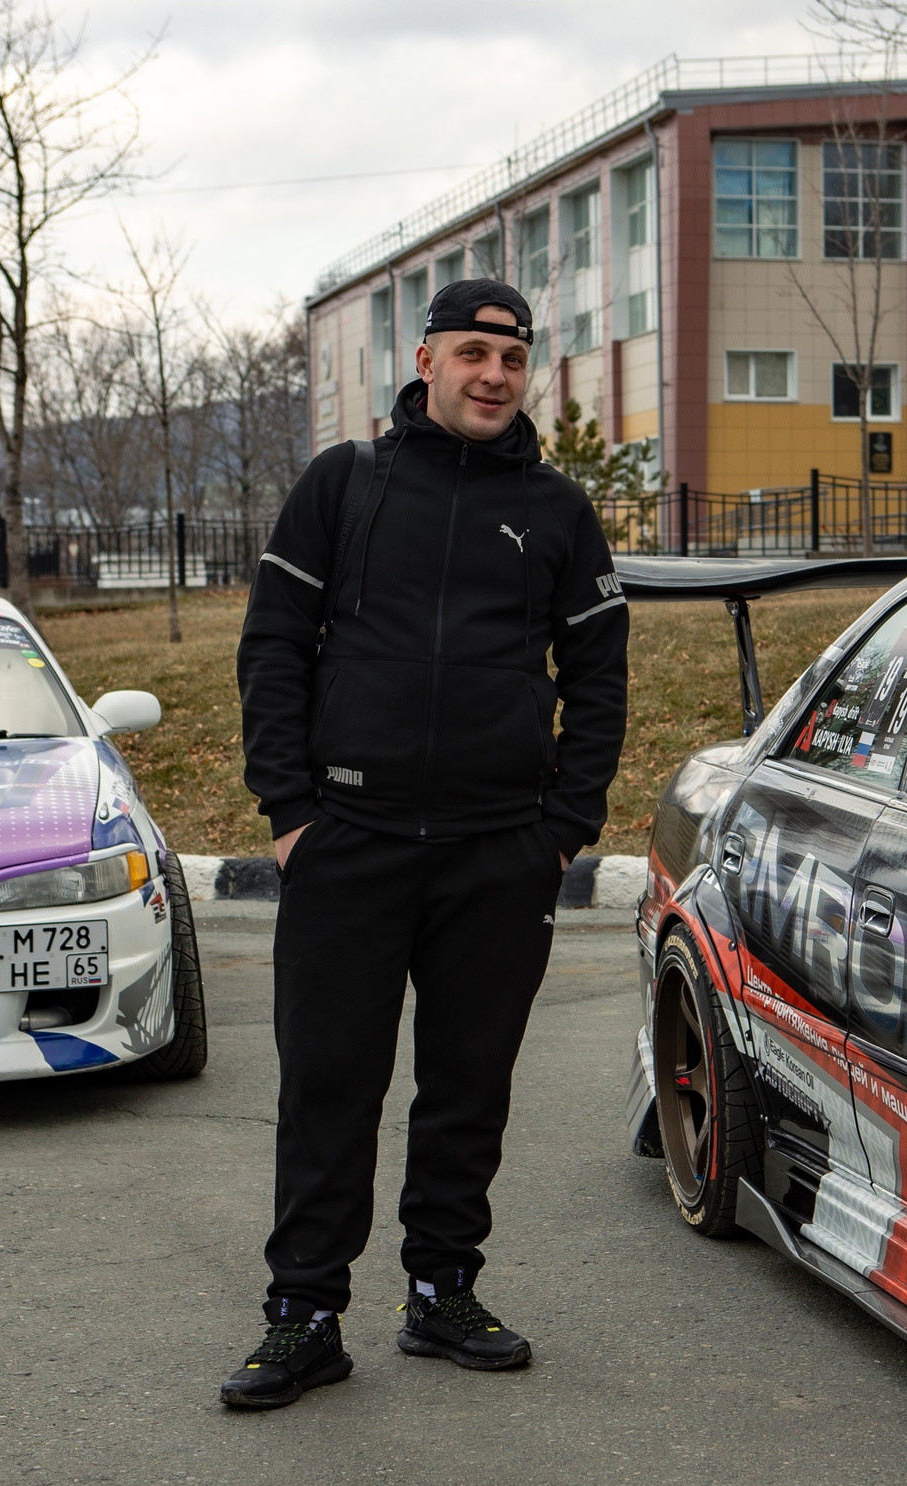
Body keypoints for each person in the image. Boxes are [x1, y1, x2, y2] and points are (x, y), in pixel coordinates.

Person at [222, 279, 628, 1409]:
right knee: (329, 1090)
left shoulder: (556, 512)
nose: (494, 374)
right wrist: (293, 814)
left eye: (511, 355)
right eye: (472, 353)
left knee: (467, 1089)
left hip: (499, 855)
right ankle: (303, 1315)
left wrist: (560, 831)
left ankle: (442, 1292)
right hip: (348, 842)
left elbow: (598, 679)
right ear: (426, 359)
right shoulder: (343, 485)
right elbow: (272, 648)